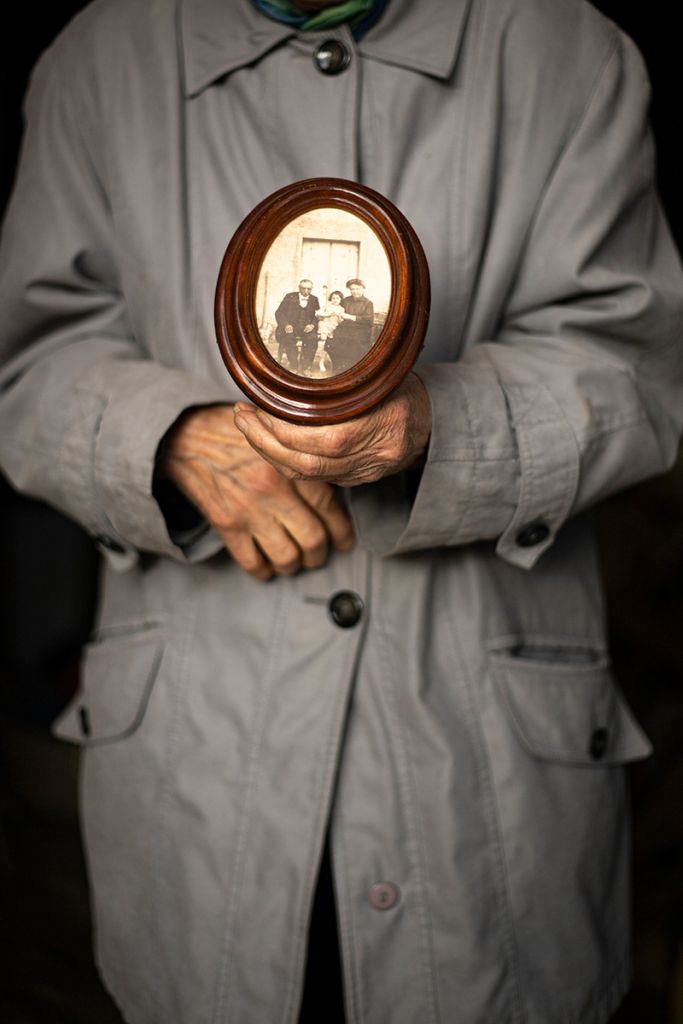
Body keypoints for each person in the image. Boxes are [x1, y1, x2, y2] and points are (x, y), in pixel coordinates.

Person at [0, 1, 682, 1023]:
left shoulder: (565, 47)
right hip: (193, 760)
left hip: (483, 786)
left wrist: (441, 425)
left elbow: (640, 367)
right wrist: (170, 436)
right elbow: (28, 366)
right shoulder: (98, 56)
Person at [325, 278, 374, 372]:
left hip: (360, 331)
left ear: (363, 289)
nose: (355, 291)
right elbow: (336, 311)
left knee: (354, 346)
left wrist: (350, 317)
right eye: (352, 289)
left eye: (357, 289)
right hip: (344, 329)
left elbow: (368, 320)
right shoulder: (345, 300)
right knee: (331, 342)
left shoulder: (368, 303)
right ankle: (338, 369)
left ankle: (352, 371)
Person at [274, 278, 320, 373]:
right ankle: (293, 365)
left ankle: (306, 367)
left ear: (311, 289)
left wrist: (312, 325)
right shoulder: (289, 297)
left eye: (309, 289)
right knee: (288, 338)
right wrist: (286, 325)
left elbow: (317, 316)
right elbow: (279, 313)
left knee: (313, 338)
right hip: (290, 328)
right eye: (303, 288)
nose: (306, 291)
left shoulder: (314, 299)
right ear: (299, 288)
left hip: (306, 328)